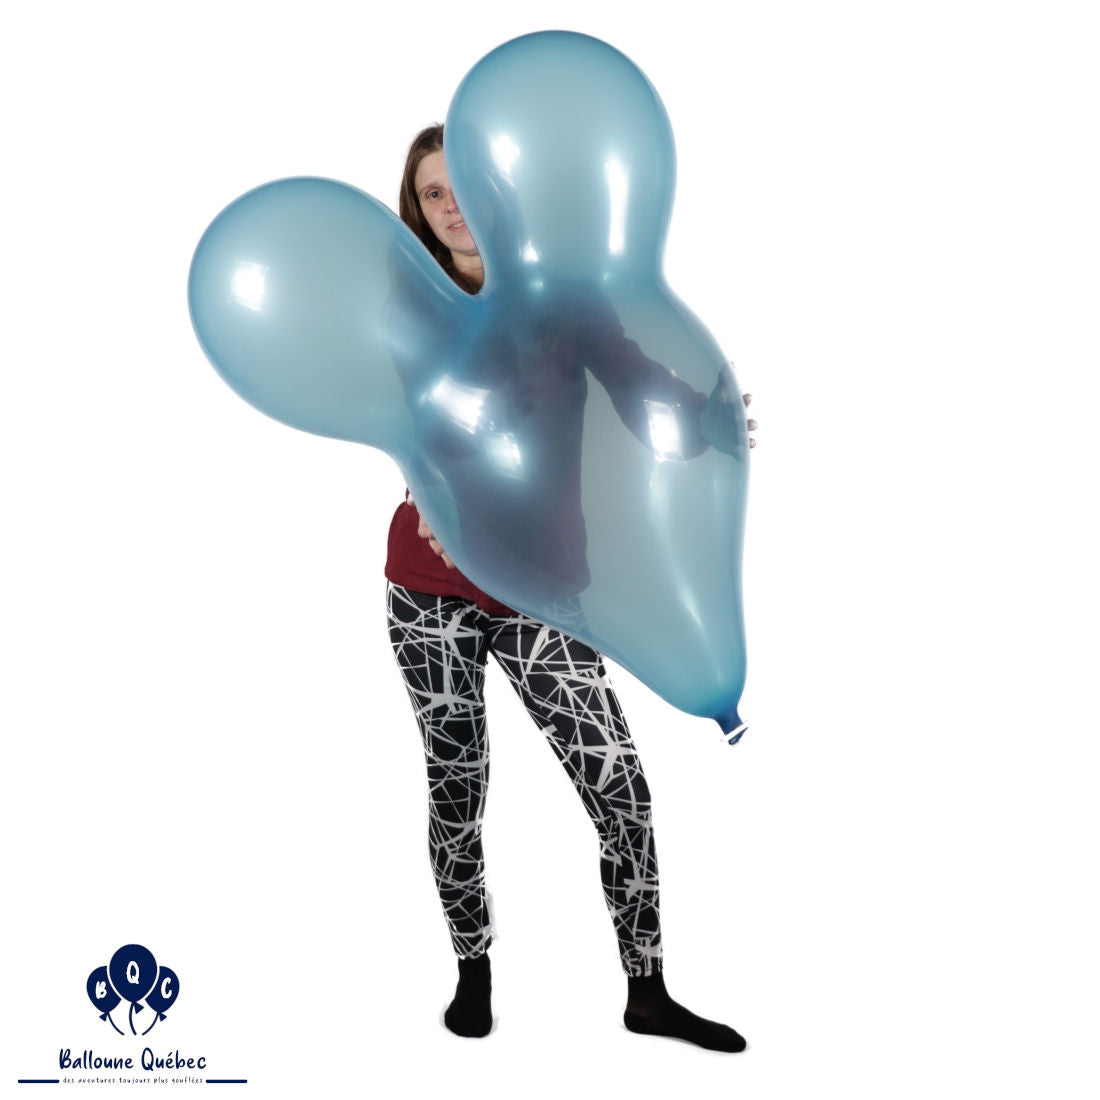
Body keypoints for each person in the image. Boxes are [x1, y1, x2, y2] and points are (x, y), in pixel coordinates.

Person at [385, 124, 755, 1052]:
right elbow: (409, 431)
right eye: (433, 195)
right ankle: (473, 972)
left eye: (463, 187)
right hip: (431, 591)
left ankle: (647, 992)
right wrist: (429, 498)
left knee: (620, 789)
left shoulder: (566, 305)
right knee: (457, 786)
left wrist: (710, 418)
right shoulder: (411, 316)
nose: (453, 208)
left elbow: (642, 389)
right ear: (419, 213)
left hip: (544, 587)